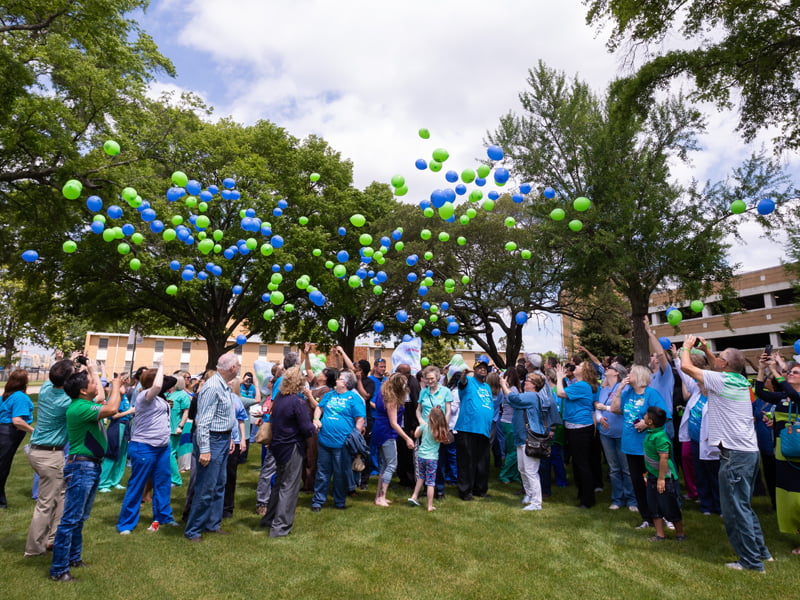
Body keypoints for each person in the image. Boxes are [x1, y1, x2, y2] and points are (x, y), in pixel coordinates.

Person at [679, 334, 772, 572]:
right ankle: (762, 553)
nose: (715, 359)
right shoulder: (739, 379)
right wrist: (708, 351)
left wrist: (687, 348)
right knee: (744, 506)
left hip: (735, 457)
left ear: (725, 365)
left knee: (734, 512)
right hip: (747, 454)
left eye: (719, 358)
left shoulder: (722, 381)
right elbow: (719, 366)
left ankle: (751, 562)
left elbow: (686, 367)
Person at [49, 368, 123, 582]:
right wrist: (116, 386)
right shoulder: (79, 408)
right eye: (92, 381)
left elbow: (106, 402)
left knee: (80, 518)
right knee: (70, 519)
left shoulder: (83, 404)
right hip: (82, 468)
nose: (96, 383)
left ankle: (74, 558)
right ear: (82, 390)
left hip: (90, 466)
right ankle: (58, 570)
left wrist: (110, 384)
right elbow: (112, 408)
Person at [184, 354, 241, 542]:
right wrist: (206, 449)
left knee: (219, 484)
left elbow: (223, 417)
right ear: (232, 368)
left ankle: (212, 523)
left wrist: (230, 437)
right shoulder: (213, 387)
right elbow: (203, 421)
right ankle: (193, 529)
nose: (239, 368)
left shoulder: (223, 386)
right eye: (238, 365)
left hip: (223, 439)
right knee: (206, 486)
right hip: (213, 440)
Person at [117, 366, 177, 534]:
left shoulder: (159, 398)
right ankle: (126, 524)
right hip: (144, 447)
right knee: (137, 485)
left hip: (162, 448)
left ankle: (164, 517)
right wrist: (162, 364)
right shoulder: (144, 396)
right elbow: (157, 386)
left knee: (163, 484)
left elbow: (165, 385)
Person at [24, 359, 75, 556]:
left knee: (60, 494)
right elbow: (95, 397)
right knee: (45, 503)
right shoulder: (66, 402)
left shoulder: (46, 389)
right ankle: (34, 548)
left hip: (37, 450)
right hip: (50, 454)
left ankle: (53, 538)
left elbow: (57, 374)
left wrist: (65, 362)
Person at [609, 365, 670, 528]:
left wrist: (646, 423)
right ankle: (648, 518)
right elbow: (614, 409)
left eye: (631, 372)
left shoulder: (651, 394)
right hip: (630, 446)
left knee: (654, 482)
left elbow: (665, 416)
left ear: (640, 376)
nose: (628, 375)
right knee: (637, 483)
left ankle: (666, 515)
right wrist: (620, 388)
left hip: (648, 447)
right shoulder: (627, 393)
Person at [261, 366, 316, 536]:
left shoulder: (279, 398)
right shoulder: (296, 402)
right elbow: (307, 429)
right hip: (291, 446)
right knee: (289, 487)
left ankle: (269, 519)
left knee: (279, 484)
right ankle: (281, 527)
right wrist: (315, 424)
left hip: (278, 445)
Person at [754, 351, 800, 555]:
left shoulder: (795, 395)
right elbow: (760, 392)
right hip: (783, 453)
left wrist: (775, 368)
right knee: (790, 499)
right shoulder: (782, 397)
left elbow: (794, 395)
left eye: (796, 372)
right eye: (790, 372)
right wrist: (762, 368)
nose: (791, 374)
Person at [501, 372, 561, 511]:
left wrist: (503, 385)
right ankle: (529, 495)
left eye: (527, 381)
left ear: (534, 385)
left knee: (530, 471)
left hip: (530, 438)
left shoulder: (532, 396)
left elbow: (513, 398)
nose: (525, 382)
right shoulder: (531, 396)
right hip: (523, 438)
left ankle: (536, 502)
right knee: (522, 469)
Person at [311, 371, 365, 511]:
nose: (336, 381)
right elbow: (318, 407)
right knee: (322, 472)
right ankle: (318, 501)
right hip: (324, 440)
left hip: (342, 443)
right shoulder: (329, 395)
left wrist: (355, 435)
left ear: (345, 383)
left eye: (340, 379)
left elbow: (360, 419)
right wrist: (316, 419)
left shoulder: (354, 398)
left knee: (340, 473)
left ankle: (339, 501)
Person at [555, 361, 599, 508]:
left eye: (579, 366)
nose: (576, 367)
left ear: (584, 371)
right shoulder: (578, 384)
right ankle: (583, 494)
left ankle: (587, 500)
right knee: (578, 463)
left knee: (582, 464)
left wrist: (559, 378)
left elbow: (560, 393)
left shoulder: (582, 385)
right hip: (574, 427)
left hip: (580, 428)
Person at [594, 363, 637, 511]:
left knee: (626, 468)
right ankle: (617, 498)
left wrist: (605, 408)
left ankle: (632, 500)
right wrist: (599, 418)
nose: (606, 369)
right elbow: (597, 406)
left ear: (616, 373)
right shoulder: (604, 389)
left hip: (622, 433)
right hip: (606, 434)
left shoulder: (626, 389)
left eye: (610, 368)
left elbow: (624, 409)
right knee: (613, 468)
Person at [643, 406, 686, 542]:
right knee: (653, 505)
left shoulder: (660, 437)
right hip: (652, 476)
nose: (644, 416)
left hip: (664, 477)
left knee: (669, 506)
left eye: (646, 415)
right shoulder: (650, 433)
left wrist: (661, 479)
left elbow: (664, 458)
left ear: (650, 421)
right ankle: (660, 534)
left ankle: (680, 533)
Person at [373, 372, 415, 506]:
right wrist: (407, 438)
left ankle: (378, 496)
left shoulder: (382, 392)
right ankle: (381, 497)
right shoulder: (391, 399)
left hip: (379, 429)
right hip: (386, 433)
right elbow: (394, 423)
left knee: (384, 465)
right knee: (391, 465)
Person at [455, 358, 494, 500]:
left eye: (484, 368)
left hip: (483, 430)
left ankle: (480, 490)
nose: (482, 369)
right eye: (479, 367)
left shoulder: (487, 387)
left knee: (482, 461)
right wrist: (464, 376)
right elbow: (462, 383)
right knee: (467, 462)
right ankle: (465, 491)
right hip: (467, 428)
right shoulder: (469, 382)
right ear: (474, 370)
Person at [0, 369, 35, 509]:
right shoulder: (20, 397)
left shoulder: (6, 396)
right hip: (9, 433)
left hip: (3, 429)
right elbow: (17, 421)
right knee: (2, 467)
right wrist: (34, 431)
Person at [417, 365, 453, 498]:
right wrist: (421, 422)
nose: (429, 381)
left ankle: (439, 489)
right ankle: (427, 489)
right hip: (426, 431)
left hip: (439, 431)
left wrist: (444, 426)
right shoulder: (423, 392)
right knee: (425, 460)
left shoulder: (445, 391)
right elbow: (418, 409)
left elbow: (448, 410)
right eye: (427, 379)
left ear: (437, 377)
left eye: (432, 378)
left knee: (440, 460)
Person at [408, 406, 450, 511]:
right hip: (432, 459)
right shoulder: (440, 431)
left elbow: (416, 435)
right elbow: (445, 440)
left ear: (430, 416)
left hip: (421, 456)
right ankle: (429, 505)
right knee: (431, 482)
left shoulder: (425, 426)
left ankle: (414, 496)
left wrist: (418, 427)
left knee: (421, 477)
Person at [167, 372, 191, 485]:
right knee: (167, 453)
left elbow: (186, 412)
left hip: (174, 429)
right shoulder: (169, 394)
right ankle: (169, 477)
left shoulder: (182, 395)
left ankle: (176, 480)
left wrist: (180, 426)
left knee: (170, 454)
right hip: (166, 428)